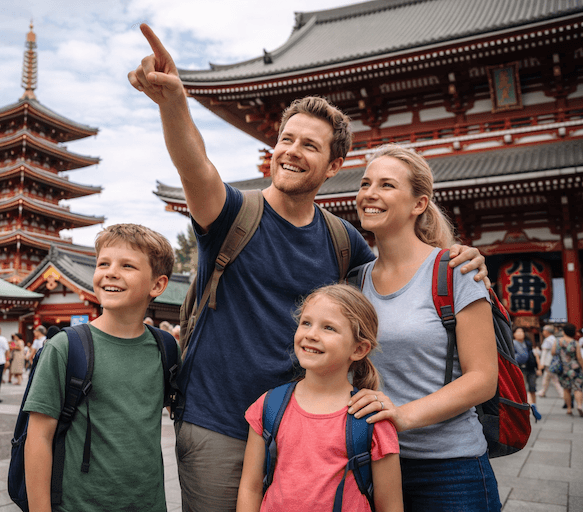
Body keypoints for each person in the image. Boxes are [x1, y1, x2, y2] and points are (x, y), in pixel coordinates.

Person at [128, 24, 487, 510]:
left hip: (308, 429)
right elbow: (195, 167)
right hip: (220, 422)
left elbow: (402, 263)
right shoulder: (232, 213)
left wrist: (457, 254)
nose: (291, 152)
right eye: (286, 139)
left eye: (310, 146)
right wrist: (173, 103)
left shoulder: (343, 244)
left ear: (334, 166)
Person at [347, 144, 500, 511]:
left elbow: (482, 378)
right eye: (366, 183)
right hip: (373, 461)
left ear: (419, 204)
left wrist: (402, 415)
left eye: (386, 185)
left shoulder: (456, 271)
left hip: (449, 468)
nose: (370, 193)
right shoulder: (354, 282)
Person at [23, 223, 176, 511]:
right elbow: (39, 438)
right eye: (103, 263)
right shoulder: (65, 347)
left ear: (157, 285)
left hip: (149, 503)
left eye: (127, 265)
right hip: (80, 504)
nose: (111, 272)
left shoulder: (165, 348)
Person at [237, 284, 402, 511]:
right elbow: (250, 488)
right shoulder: (268, 406)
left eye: (329, 328)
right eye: (306, 323)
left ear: (359, 349)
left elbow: (390, 506)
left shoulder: (371, 418)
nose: (311, 334)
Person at [551, 323, 583, 417]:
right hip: (575, 368)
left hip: (563, 368)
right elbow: (579, 358)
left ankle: (569, 409)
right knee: (578, 388)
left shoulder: (557, 341)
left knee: (566, 389)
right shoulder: (575, 343)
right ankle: (580, 405)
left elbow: (553, 352)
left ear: (564, 331)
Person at [513, 327, 540, 404]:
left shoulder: (528, 343)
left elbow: (534, 354)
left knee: (532, 387)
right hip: (520, 367)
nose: (520, 333)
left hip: (530, 367)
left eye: (521, 331)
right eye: (518, 331)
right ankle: (525, 404)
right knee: (522, 388)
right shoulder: (512, 343)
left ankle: (534, 405)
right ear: (514, 334)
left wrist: (538, 367)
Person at [538, 324, 565, 398]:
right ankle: (543, 391)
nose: (543, 332)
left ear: (547, 331)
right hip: (553, 362)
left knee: (553, 379)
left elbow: (544, 353)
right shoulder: (554, 339)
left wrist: (541, 363)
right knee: (548, 378)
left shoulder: (548, 340)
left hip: (549, 362)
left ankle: (562, 393)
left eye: (544, 330)